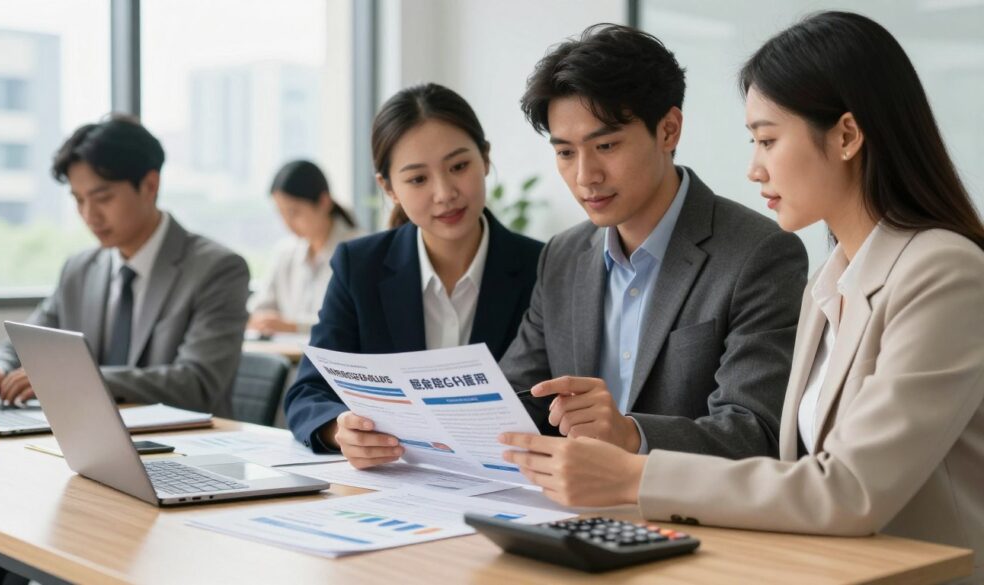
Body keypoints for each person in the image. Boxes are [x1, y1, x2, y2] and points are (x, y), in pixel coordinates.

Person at [500, 12, 984, 581]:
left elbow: (849, 488)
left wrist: (633, 473)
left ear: (847, 136)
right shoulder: (832, 278)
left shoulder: (945, 271)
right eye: (753, 141)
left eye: (768, 140)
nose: (753, 169)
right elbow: (795, 468)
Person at [500, 24, 808, 459]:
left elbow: (754, 431)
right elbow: (514, 397)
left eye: (605, 145)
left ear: (669, 130)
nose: (585, 176)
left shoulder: (758, 254)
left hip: (689, 515)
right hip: (570, 508)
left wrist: (631, 434)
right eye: (565, 152)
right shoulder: (563, 255)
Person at [284, 83, 544, 467]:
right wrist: (340, 431)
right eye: (418, 179)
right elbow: (307, 392)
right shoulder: (360, 267)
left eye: (459, 167)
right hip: (398, 485)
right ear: (388, 187)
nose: (444, 193)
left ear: (485, 159)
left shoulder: (542, 266)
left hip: (508, 485)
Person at [0, 115, 249, 417]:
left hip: (183, 446)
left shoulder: (217, 269)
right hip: (91, 436)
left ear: (149, 185)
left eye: (102, 198)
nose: (89, 215)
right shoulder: (80, 269)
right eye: (78, 200)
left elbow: (198, 384)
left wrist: (80, 380)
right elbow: (26, 340)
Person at [248, 160, 364, 336]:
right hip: (285, 356)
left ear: (324, 202)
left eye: (294, 212)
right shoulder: (285, 251)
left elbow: (353, 322)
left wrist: (293, 327)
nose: (287, 223)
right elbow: (259, 308)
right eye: (281, 213)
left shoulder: (360, 249)